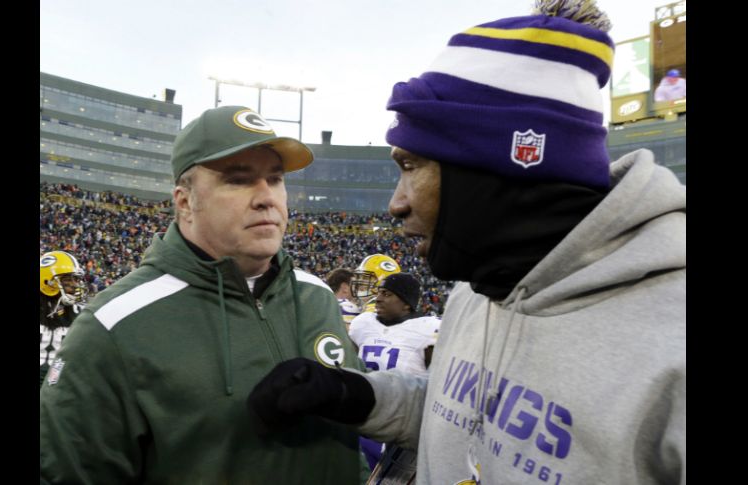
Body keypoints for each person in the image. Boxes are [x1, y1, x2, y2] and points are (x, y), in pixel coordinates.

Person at [247, 1, 686, 484]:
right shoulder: (475, 293)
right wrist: (357, 396)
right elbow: (461, 417)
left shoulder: (671, 343)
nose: (395, 203)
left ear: (498, 168)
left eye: (411, 166)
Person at [40, 105, 366, 484]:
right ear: (184, 202)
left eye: (275, 179)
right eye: (239, 180)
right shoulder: (114, 325)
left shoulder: (316, 297)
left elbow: (348, 442)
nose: (267, 198)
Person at [348, 272, 441, 470]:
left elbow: (437, 380)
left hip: (397, 422)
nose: (379, 298)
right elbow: (350, 363)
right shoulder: (363, 323)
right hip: (361, 412)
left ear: (406, 303)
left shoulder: (428, 329)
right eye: (379, 292)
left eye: (387, 294)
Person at [40, 250, 87, 389]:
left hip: (61, 389)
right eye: (67, 280)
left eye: (76, 279)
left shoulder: (82, 313)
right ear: (47, 282)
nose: (75, 285)